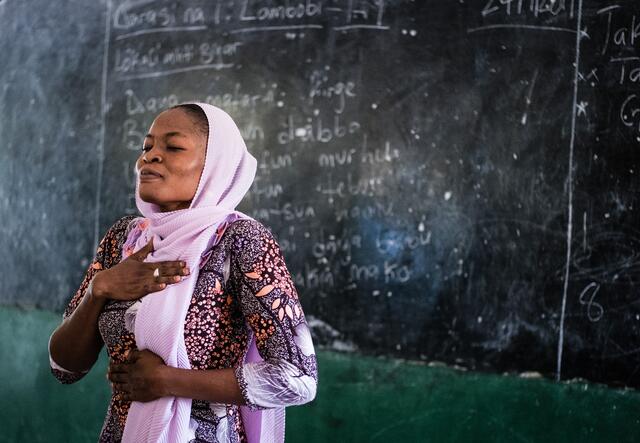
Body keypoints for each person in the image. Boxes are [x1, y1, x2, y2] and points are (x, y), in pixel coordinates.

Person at [48, 103, 317, 442]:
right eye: (147, 147)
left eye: (172, 147)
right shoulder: (125, 240)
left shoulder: (239, 240)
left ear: (214, 166)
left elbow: (297, 378)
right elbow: (64, 368)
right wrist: (98, 290)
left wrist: (165, 381)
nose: (149, 157)